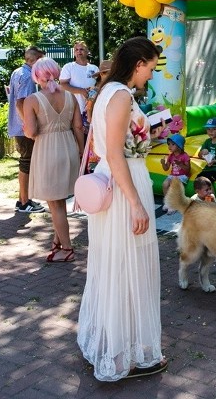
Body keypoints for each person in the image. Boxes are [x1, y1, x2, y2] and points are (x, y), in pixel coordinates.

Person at [77, 36, 167, 380]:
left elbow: (118, 145)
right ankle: (118, 355)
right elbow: (114, 152)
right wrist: (136, 204)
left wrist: (151, 135)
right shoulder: (120, 95)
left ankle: (116, 344)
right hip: (123, 187)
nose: (151, 76)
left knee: (117, 264)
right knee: (124, 267)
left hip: (120, 180)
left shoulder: (108, 93)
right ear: (139, 63)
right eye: (151, 68)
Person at [22, 57, 84, 263]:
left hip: (47, 150)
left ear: (37, 77)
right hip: (69, 147)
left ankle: (67, 248)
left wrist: (27, 129)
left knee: (55, 204)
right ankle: (58, 242)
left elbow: (31, 132)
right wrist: (82, 151)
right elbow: (78, 127)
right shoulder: (71, 97)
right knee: (60, 200)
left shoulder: (32, 100)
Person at [7, 45, 46, 214]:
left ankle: (22, 199)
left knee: (25, 161)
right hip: (24, 129)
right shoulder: (28, 76)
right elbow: (21, 102)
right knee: (27, 162)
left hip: (18, 127)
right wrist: (29, 126)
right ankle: (24, 202)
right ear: (34, 60)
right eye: (41, 60)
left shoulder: (17, 72)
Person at [59, 41, 99, 128]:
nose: (78, 51)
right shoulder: (69, 67)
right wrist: (81, 91)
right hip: (73, 110)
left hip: (90, 110)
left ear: (87, 51)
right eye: (76, 50)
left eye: (81, 49)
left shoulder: (94, 68)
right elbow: (62, 85)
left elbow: (98, 85)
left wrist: (92, 92)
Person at [161, 133, 190, 213]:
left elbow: (188, 170)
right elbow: (166, 168)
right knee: (165, 184)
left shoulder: (185, 156)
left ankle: (174, 205)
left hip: (182, 176)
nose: (169, 146)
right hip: (173, 175)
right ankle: (167, 202)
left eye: (173, 144)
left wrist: (180, 164)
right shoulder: (171, 156)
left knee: (174, 186)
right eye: (169, 144)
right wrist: (163, 163)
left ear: (179, 145)